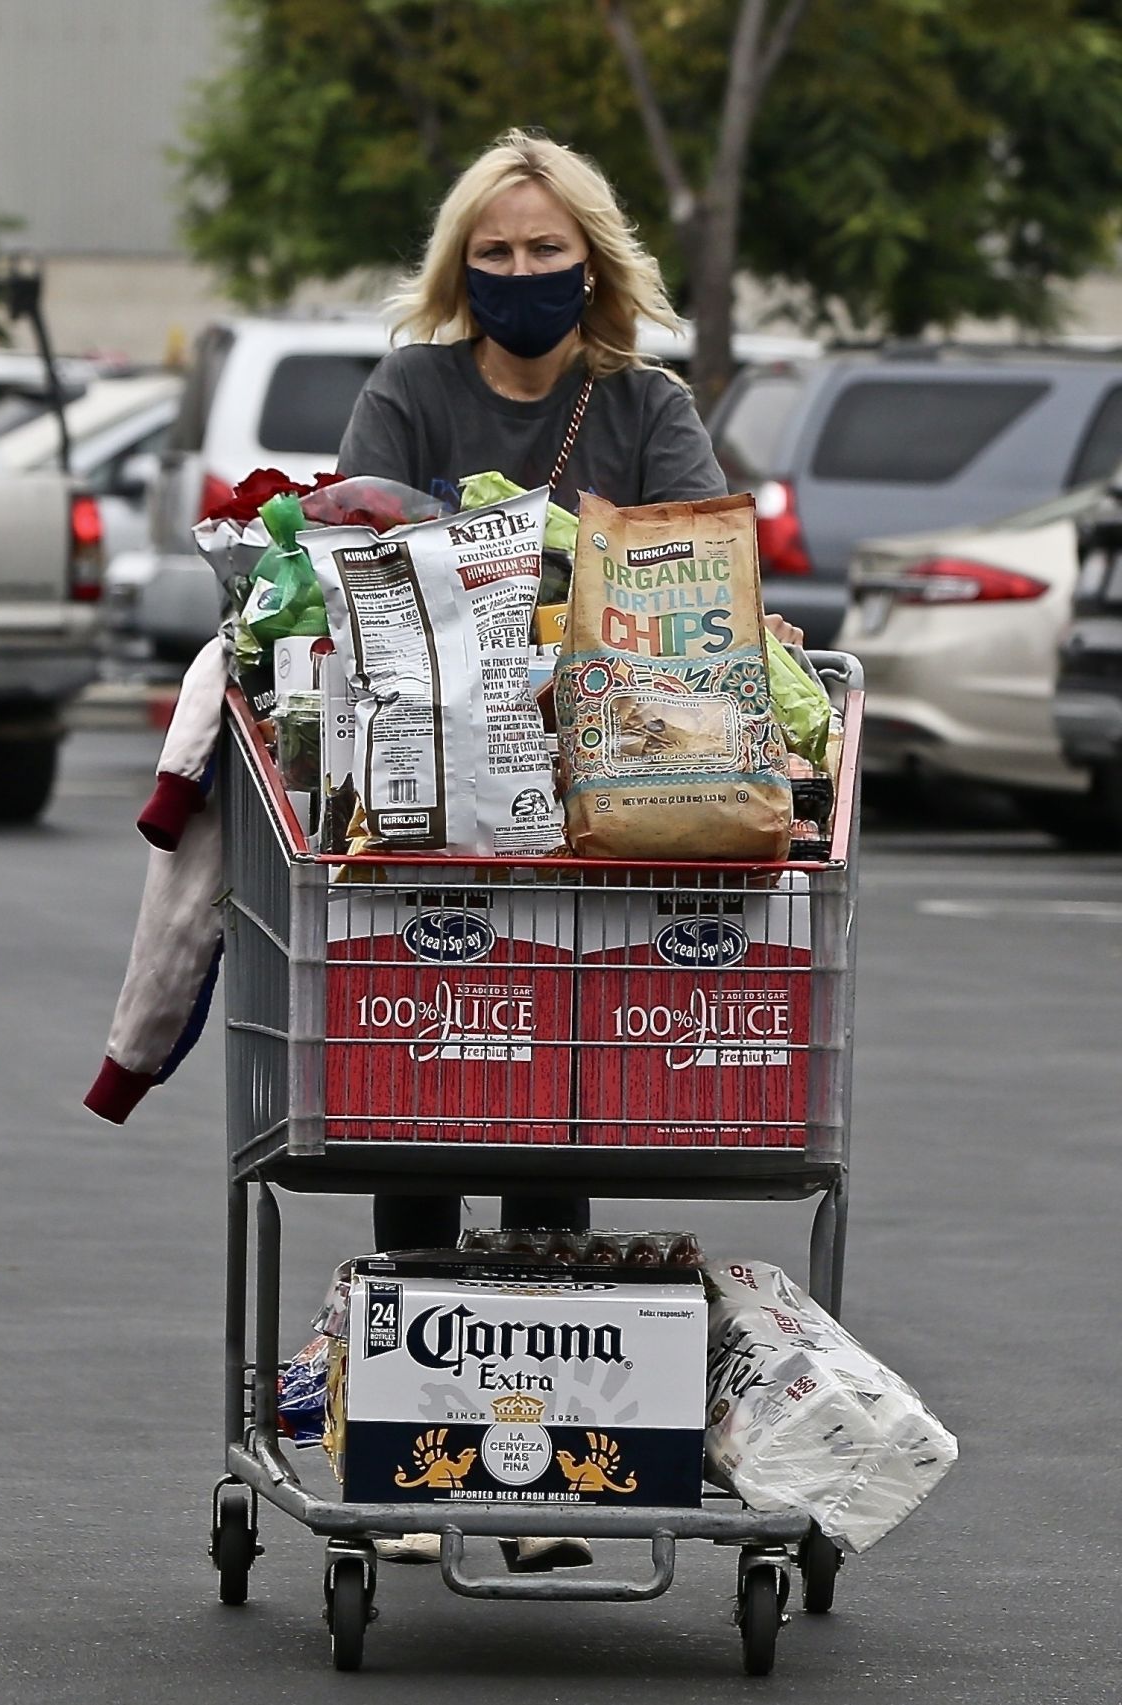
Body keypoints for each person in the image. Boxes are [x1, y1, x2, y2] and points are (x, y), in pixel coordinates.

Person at [338, 129, 798, 1568]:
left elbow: (687, 556)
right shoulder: (410, 390)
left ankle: (540, 1456)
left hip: (606, 787)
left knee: (552, 1100)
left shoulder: (642, 398)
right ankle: (414, 1451)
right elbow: (360, 528)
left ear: (588, 259)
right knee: (415, 1090)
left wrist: (506, 547)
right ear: (459, 264)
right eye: (497, 252)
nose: (521, 274)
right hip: (432, 796)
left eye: (545, 252)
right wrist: (542, 548)